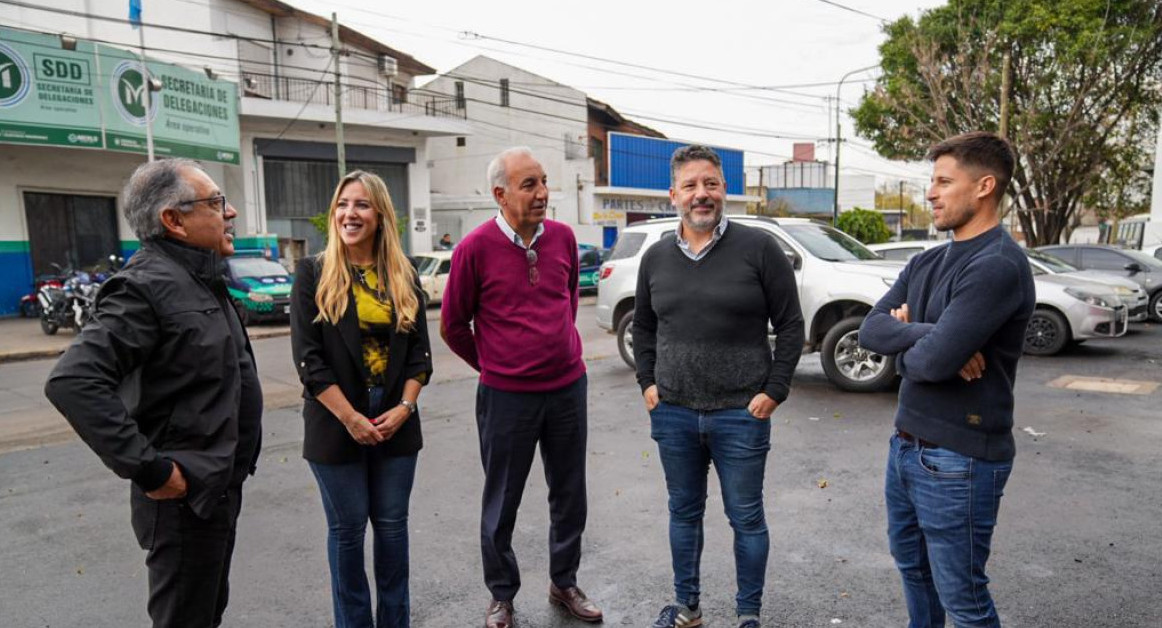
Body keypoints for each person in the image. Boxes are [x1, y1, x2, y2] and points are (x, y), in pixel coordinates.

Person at [44, 158, 262, 628]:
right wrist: (152, 469)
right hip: (183, 498)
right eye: (216, 202)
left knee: (205, 614)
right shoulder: (145, 287)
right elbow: (74, 381)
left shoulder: (201, 278)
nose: (231, 213)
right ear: (174, 220)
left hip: (217, 489)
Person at [859, 131, 1035, 628]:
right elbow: (870, 331)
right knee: (914, 571)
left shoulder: (997, 265)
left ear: (984, 186)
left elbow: (929, 365)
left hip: (961, 458)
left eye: (942, 181)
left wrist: (916, 345)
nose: (930, 193)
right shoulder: (926, 260)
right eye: (931, 181)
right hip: (906, 445)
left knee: (964, 599)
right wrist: (937, 334)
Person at [633, 145, 804, 628]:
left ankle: (748, 614)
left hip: (741, 413)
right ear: (673, 195)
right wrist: (647, 381)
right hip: (674, 412)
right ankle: (687, 606)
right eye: (690, 186)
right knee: (683, 514)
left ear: (724, 189)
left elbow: (791, 325)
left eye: (710, 183)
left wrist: (776, 389)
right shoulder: (656, 257)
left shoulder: (760, 248)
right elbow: (643, 328)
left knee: (746, 518)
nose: (701, 195)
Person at [441, 147, 603, 628]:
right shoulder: (473, 248)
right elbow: (453, 326)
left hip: (567, 387)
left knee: (570, 492)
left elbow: (568, 298)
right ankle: (502, 594)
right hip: (506, 396)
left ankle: (564, 580)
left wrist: (558, 348)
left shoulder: (563, 238)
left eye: (544, 182)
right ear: (500, 193)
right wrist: (496, 366)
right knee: (502, 499)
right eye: (529, 184)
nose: (543, 193)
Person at [290, 170, 434, 628]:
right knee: (348, 533)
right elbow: (309, 361)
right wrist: (351, 417)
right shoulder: (312, 272)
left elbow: (419, 356)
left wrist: (405, 408)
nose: (350, 214)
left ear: (380, 215)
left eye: (362, 205)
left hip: (396, 419)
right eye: (343, 204)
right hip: (337, 421)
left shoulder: (403, 273)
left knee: (392, 532)